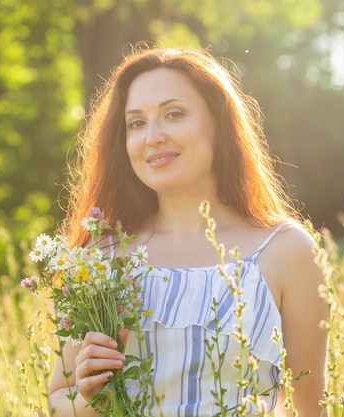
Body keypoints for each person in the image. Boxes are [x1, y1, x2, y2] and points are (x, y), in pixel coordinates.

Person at [48, 45, 329, 417]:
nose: (152, 136)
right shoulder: (101, 258)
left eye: (173, 114)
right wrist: (89, 398)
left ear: (219, 124)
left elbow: (310, 408)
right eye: (136, 123)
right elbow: (58, 399)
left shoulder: (287, 251)